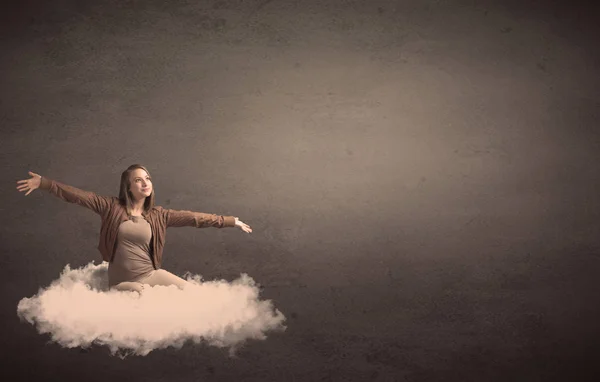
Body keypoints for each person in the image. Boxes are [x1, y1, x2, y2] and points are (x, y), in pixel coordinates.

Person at [16, 165, 253, 294]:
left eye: (147, 177)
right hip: (123, 280)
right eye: (138, 179)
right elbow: (77, 196)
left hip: (149, 274)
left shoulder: (159, 215)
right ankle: (119, 292)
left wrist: (231, 221)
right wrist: (44, 183)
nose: (145, 182)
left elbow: (194, 218)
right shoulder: (109, 207)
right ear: (128, 187)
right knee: (140, 295)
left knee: (193, 295)